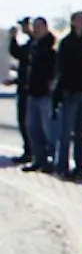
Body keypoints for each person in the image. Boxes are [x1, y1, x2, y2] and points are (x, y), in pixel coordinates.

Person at [53, 10, 82, 179]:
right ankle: (62, 167)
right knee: (66, 133)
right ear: (73, 22)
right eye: (79, 20)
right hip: (70, 91)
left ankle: (80, 167)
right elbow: (62, 67)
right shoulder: (66, 43)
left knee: (80, 133)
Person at [21, 17, 56, 173]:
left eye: (38, 27)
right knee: (32, 128)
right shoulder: (33, 46)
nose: (35, 29)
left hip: (45, 93)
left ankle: (52, 161)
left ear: (45, 27)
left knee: (49, 130)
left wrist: (52, 82)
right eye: (34, 27)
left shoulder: (50, 46)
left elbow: (56, 67)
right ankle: (38, 160)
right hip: (32, 92)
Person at [9, 19, 34, 165]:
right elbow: (17, 53)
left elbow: (19, 53)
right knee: (24, 121)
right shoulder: (30, 45)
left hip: (31, 89)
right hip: (24, 87)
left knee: (29, 122)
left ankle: (33, 152)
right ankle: (28, 150)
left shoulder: (37, 44)